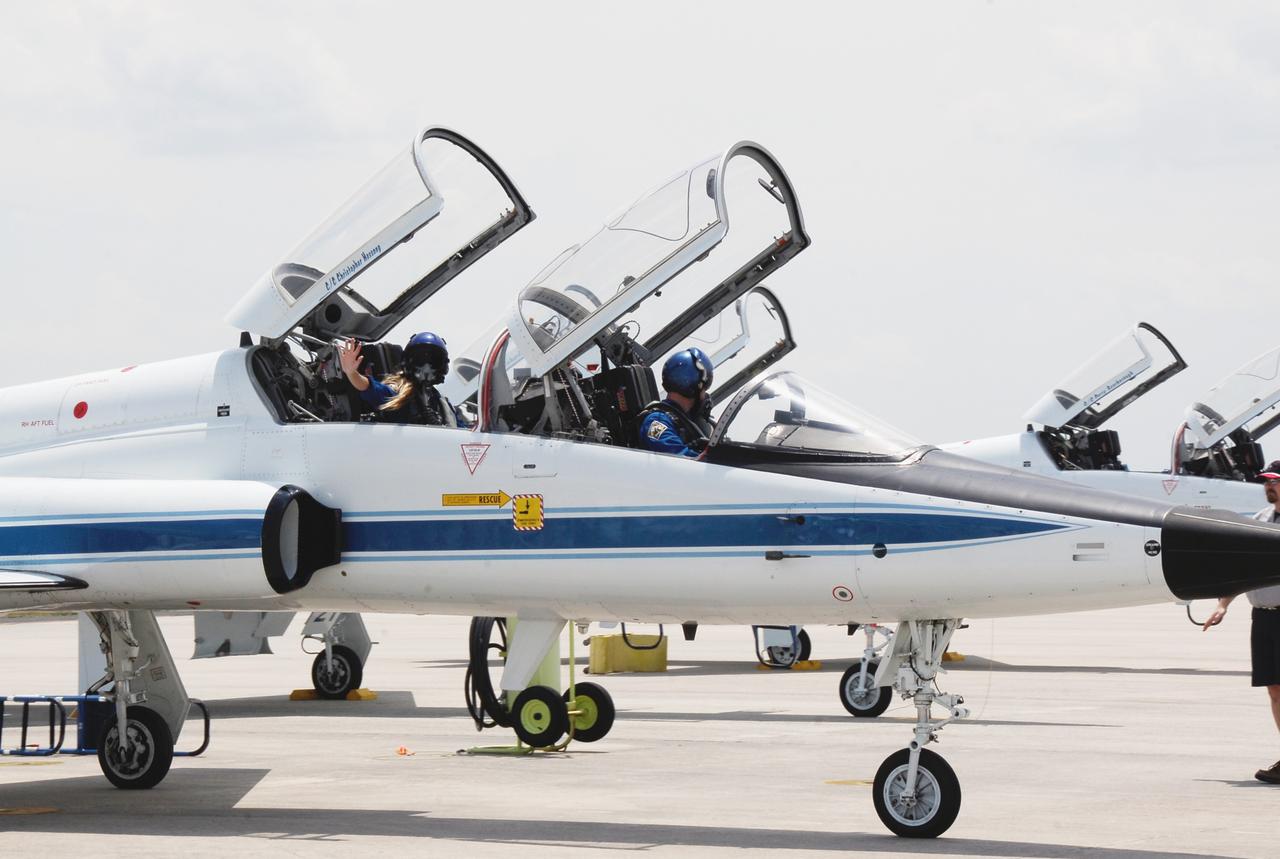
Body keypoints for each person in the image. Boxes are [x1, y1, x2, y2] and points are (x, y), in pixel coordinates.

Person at [1202, 459, 1280, 784]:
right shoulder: (1258, 522)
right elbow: (1240, 573)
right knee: (1275, 689)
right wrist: (1223, 605)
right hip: (1263, 618)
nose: (1268, 486)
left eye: (1274, 481)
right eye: (1266, 482)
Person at [338, 332, 466, 427]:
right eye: (420, 360)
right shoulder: (396, 394)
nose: (426, 367)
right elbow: (368, 387)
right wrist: (351, 372)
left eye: (433, 361)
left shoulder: (444, 405)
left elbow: (465, 435)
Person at [639, 347, 714, 457]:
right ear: (694, 386)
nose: (705, 395)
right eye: (704, 388)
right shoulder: (657, 421)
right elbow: (678, 458)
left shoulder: (686, 422)